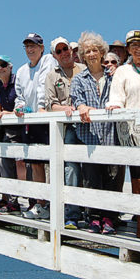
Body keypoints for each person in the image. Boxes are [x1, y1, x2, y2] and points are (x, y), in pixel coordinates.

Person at [106, 30, 140, 240]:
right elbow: (117, 98)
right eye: (134, 46)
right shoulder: (122, 71)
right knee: (138, 179)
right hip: (132, 132)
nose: (138, 49)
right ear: (128, 50)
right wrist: (115, 106)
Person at [70, 32, 120, 235]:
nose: (91, 54)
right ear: (83, 55)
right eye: (87, 51)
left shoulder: (114, 75)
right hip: (89, 135)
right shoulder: (79, 79)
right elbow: (76, 99)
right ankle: (94, 218)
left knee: (113, 176)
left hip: (111, 134)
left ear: (102, 52)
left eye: (95, 50)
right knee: (92, 178)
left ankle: (109, 218)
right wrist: (81, 105)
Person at [45, 37, 86, 229]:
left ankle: (94, 211)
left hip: (88, 125)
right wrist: (66, 109)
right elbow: (50, 104)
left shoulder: (84, 69)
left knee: (92, 167)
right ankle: (72, 214)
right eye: (59, 51)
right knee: (70, 168)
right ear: (54, 55)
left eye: (65, 49)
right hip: (68, 127)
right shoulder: (52, 76)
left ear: (71, 49)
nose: (64, 53)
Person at [14, 33, 57, 219]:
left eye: (34, 46)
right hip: (31, 122)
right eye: (27, 46)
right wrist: (19, 107)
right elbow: (20, 96)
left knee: (55, 163)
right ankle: (40, 204)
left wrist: (40, 108)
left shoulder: (48, 60)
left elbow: (42, 86)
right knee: (36, 164)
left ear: (41, 47)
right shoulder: (22, 70)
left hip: (47, 119)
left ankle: (56, 204)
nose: (30, 49)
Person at [0, 55, 25, 214]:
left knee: (23, 164)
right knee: (2, 162)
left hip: (23, 129)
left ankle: (30, 199)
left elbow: (24, 103)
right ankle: (12, 200)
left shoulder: (18, 81)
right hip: (8, 131)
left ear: (10, 66)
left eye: (3, 65)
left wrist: (10, 113)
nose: (0, 69)